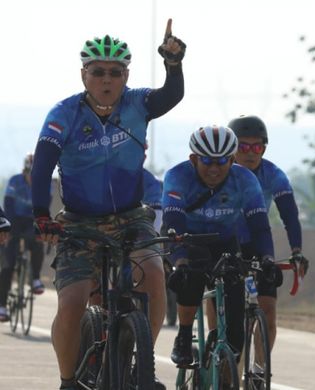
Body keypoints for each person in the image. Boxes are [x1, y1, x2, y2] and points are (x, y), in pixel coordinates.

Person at [31, 20, 186, 390]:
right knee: (71, 304)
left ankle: (139, 363)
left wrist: (173, 64)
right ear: (84, 75)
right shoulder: (64, 114)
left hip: (131, 216)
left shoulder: (137, 103)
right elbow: (41, 167)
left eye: (115, 73)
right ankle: (68, 380)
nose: (107, 80)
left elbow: (171, 96)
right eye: (98, 72)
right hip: (80, 222)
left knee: (154, 275)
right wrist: (41, 214)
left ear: (126, 75)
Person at [164, 125, 275, 367]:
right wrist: (179, 261)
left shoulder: (245, 179)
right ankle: (183, 335)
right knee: (190, 277)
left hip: (225, 242)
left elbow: (259, 226)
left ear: (232, 159)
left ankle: (224, 367)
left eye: (222, 161)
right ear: (193, 159)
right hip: (187, 238)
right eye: (207, 161)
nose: (214, 169)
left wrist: (267, 258)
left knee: (235, 336)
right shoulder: (177, 176)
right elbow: (173, 222)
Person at [228, 114, 309, 380]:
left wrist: (297, 251)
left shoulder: (274, 175)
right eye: (244, 147)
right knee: (225, 308)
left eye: (257, 147)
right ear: (231, 148)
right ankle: (222, 357)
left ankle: (259, 372)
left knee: (268, 311)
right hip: (224, 242)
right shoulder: (220, 171)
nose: (251, 153)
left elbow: (290, 217)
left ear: (264, 147)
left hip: (258, 243)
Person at [0, 154, 48, 322]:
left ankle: (35, 278)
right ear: (26, 171)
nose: (33, 179)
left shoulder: (44, 184)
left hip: (31, 220)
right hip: (14, 218)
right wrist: (10, 228)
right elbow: (8, 204)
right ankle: (2, 306)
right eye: (30, 174)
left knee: (37, 244)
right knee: (8, 265)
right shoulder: (15, 181)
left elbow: (44, 207)